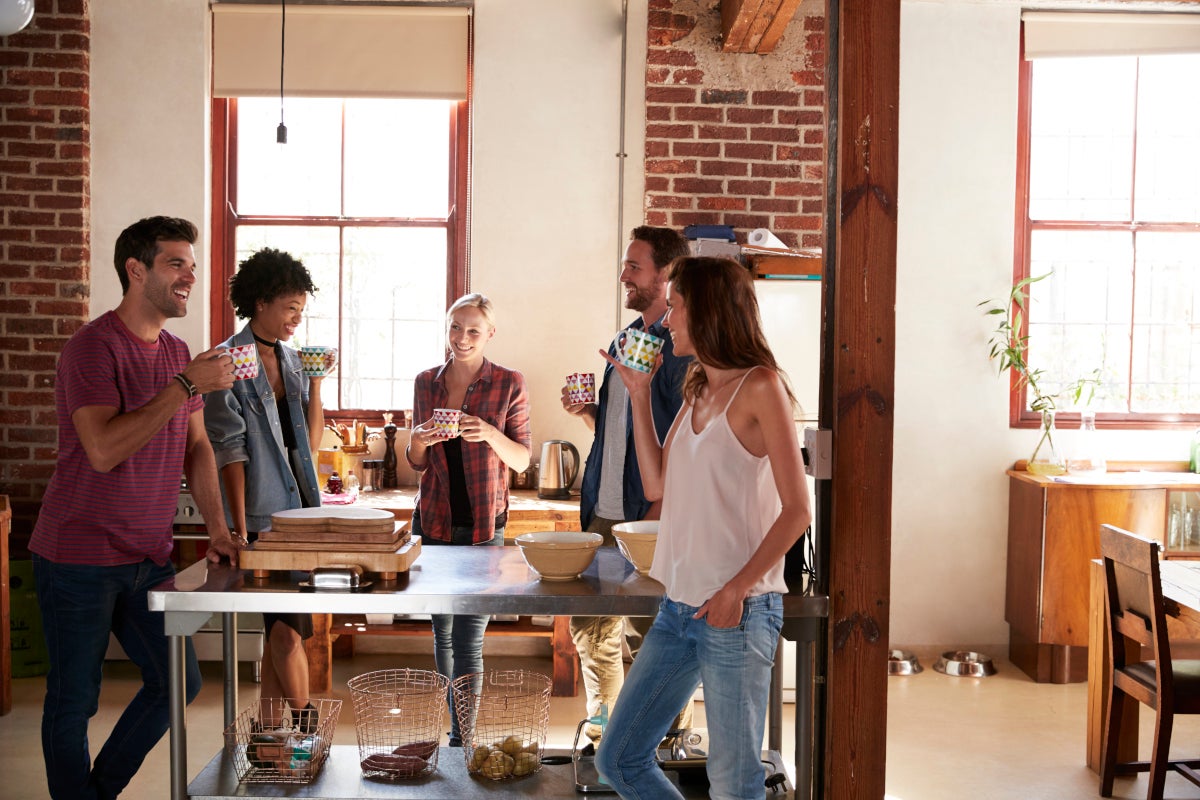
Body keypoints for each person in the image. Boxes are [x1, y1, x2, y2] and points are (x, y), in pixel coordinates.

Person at [29, 216, 243, 799]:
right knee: (75, 700)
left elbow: (198, 447)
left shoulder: (176, 351)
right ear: (136, 269)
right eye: (176, 263)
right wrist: (183, 385)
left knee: (177, 683)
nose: (190, 276)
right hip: (77, 555)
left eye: (191, 266)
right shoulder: (91, 348)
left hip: (148, 555)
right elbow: (102, 450)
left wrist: (219, 529)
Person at [594, 256, 813, 800]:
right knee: (618, 758)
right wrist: (640, 396)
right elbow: (657, 487)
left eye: (677, 307)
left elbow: (797, 510)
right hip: (679, 608)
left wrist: (738, 587)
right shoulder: (697, 388)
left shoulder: (760, 388)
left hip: (736, 612)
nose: (666, 320)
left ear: (708, 310)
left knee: (735, 786)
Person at [561, 225, 693, 741]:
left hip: (651, 513)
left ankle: (665, 740)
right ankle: (606, 730)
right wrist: (593, 412)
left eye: (634, 267)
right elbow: (626, 428)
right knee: (591, 625)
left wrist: (664, 514)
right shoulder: (626, 338)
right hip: (605, 509)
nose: (623, 276)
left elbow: (686, 439)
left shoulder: (681, 345)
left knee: (653, 632)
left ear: (665, 276)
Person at [204, 247, 335, 732]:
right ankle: (303, 721)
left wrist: (317, 383)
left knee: (279, 630)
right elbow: (229, 450)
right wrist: (239, 528)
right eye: (289, 308)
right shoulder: (228, 361)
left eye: (301, 309)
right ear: (260, 302)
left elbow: (312, 443)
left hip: (300, 515)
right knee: (286, 634)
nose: (296, 319)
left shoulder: (294, 360)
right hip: (261, 520)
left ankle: (267, 738)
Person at [405, 293, 532, 746]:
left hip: (483, 527)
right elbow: (416, 462)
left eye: (473, 330)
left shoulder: (509, 383)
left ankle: (464, 738)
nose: (461, 338)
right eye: (455, 328)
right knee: (441, 631)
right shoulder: (426, 383)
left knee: (469, 637)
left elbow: (520, 460)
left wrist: (490, 433)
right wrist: (417, 439)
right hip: (434, 521)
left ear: (490, 334)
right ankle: (456, 728)